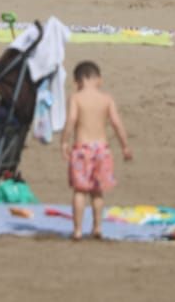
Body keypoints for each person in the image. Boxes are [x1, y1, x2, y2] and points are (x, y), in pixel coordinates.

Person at [61, 61, 132, 241]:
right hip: (102, 149)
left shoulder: (76, 98)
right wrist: (125, 146)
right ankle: (97, 227)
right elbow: (116, 123)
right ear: (99, 79)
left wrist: (64, 142)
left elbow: (71, 120)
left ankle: (77, 230)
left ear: (77, 82)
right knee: (97, 191)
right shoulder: (106, 99)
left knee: (79, 191)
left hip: (82, 148)